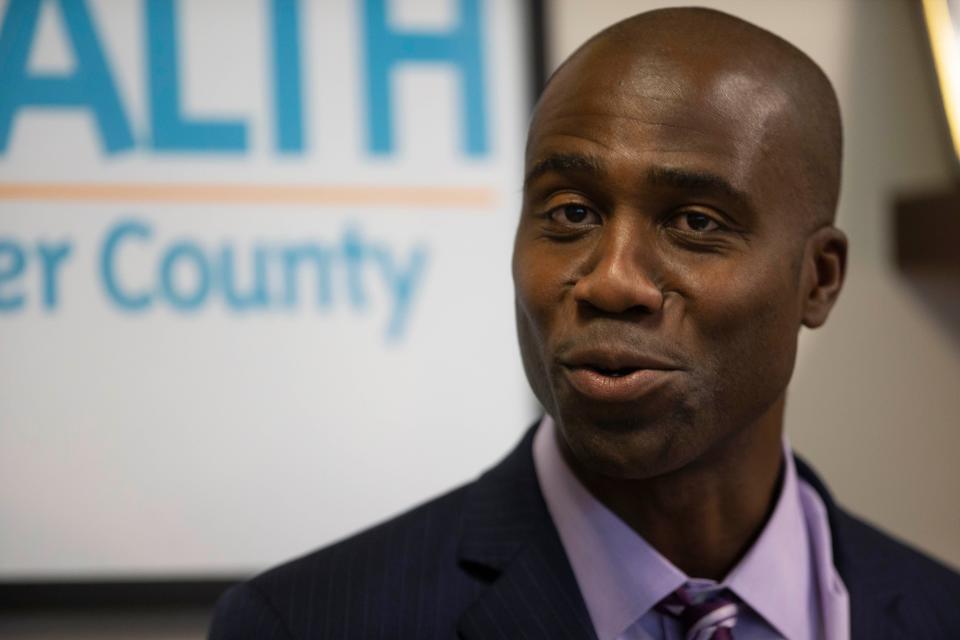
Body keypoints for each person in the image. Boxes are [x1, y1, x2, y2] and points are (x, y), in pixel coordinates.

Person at [209, 8, 960, 639]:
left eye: (695, 222)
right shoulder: (305, 624)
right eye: (570, 214)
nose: (610, 279)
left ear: (819, 279)